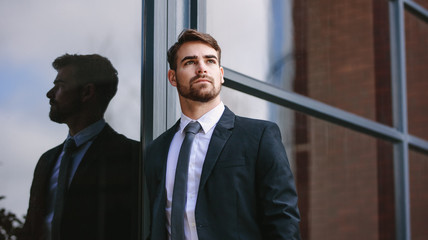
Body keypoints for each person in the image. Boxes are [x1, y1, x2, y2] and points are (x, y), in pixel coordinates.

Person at [145, 29, 301, 240]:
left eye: (209, 61)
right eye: (190, 62)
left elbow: (283, 220)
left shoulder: (259, 137)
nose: (202, 69)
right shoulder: (157, 150)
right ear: (172, 77)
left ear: (221, 74)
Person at [20, 54, 139, 240]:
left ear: (86, 93)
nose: (50, 94)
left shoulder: (130, 156)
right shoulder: (46, 160)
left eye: (60, 85)